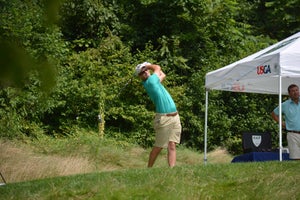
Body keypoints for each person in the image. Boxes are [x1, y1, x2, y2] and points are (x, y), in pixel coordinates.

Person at [135, 62, 182, 167]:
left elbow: (163, 74)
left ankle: (172, 169)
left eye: (146, 70)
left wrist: (148, 66)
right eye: (142, 72)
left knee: (172, 144)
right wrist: (149, 65)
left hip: (175, 116)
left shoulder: (154, 82)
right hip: (164, 118)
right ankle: (149, 168)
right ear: (140, 76)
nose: (145, 72)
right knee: (159, 146)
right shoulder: (150, 82)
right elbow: (158, 68)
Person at [271, 84, 300, 160]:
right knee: (296, 158)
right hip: (293, 134)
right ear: (289, 94)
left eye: (297, 90)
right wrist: (281, 123)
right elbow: (274, 114)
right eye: (293, 91)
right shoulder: (285, 105)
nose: (295, 92)